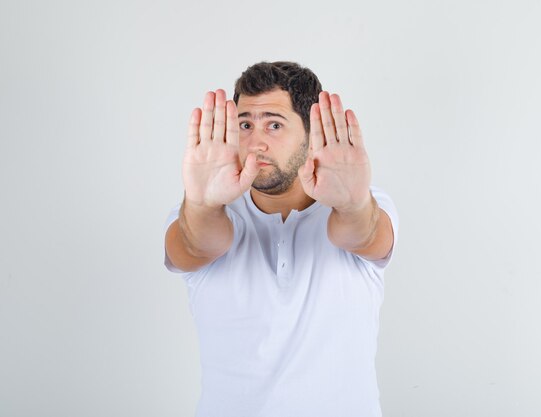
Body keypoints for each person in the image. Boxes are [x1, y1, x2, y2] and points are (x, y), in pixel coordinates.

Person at [163, 61, 398, 417]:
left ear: (311, 131)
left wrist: (352, 205)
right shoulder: (200, 211)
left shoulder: (367, 203)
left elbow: (362, 234)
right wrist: (202, 204)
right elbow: (196, 246)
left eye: (274, 124)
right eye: (245, 124)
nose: (255, 142)